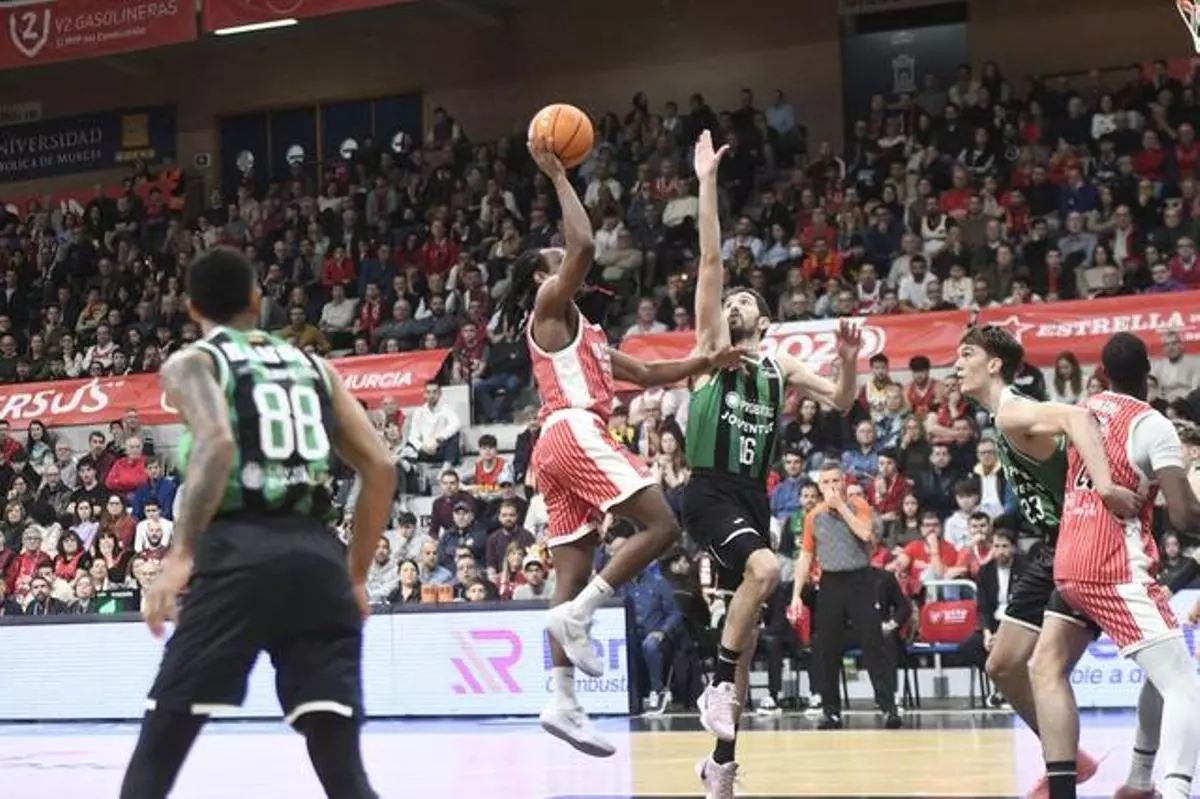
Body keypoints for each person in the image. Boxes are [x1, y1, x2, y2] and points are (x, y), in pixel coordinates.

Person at [119, 247, 395, 799]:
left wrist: (179, 557)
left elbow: (217, 442)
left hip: (236, 557)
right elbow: (381, 467)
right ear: (256, 299)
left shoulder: (194, 362)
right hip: (318, 562)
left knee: (159, 753)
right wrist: (357, 575)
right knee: (344, 771)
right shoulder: (317, 368)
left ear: (192, 309)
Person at [501, 133, 741, 758]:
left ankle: (562, 699)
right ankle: (582, 615)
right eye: (553, 258)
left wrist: (708, 360)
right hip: (575, 429)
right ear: (540, 277)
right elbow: (584, 244)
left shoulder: (582, 335)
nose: (567, 258)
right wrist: (558, 174)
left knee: (571, 571)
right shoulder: (548, 304)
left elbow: (650, 372)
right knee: (662, 524)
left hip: (554, 447)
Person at [683, 131, 865, 796]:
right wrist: (707, 180)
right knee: (766, 569)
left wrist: (848, 361)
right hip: (709, 490)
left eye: (743, 301)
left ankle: (720, 763)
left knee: (749, 628)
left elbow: (840, 399)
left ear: (762, 320)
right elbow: (710, 259)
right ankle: (713, 684)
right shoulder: (712, 348)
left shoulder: (779, 364)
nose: (732, 302)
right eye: (728, 300)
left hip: (752, 496)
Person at [952, 324, 1139, 798]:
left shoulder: (1013, 409)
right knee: (1002, 664)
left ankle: (1070, 775)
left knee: (1046, 667)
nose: (957, 363)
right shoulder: (1001, 416)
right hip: (1052, 543)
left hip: (1085, 541)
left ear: (994, 364)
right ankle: (1070, 756)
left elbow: (1079, 417)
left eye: (967, 354)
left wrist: (1105, 487)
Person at [1031, 333, 1200, 799]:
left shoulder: (1083, 410)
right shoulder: (1152, 424)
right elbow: (1184, 516)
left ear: (1102, 373)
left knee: (1049, 668)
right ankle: (1176, 791)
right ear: (1148, 372)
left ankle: (1127, 782)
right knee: (1184, 685)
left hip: (1069, 561)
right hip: (1114, 568)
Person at [793, 464, 901, 731]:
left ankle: (888, 707)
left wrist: (841, 506)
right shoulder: (813, 517)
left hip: (860, 580)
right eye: (826, 482)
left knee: (873, 644)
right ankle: (831, 712)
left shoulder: (858, 505)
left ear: (843, 482)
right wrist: (796, 594)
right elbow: (806, 556)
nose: (832, 486)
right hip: (831, 582)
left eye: (836, 480)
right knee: (827, 648)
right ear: (820, 487)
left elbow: (866, 534)